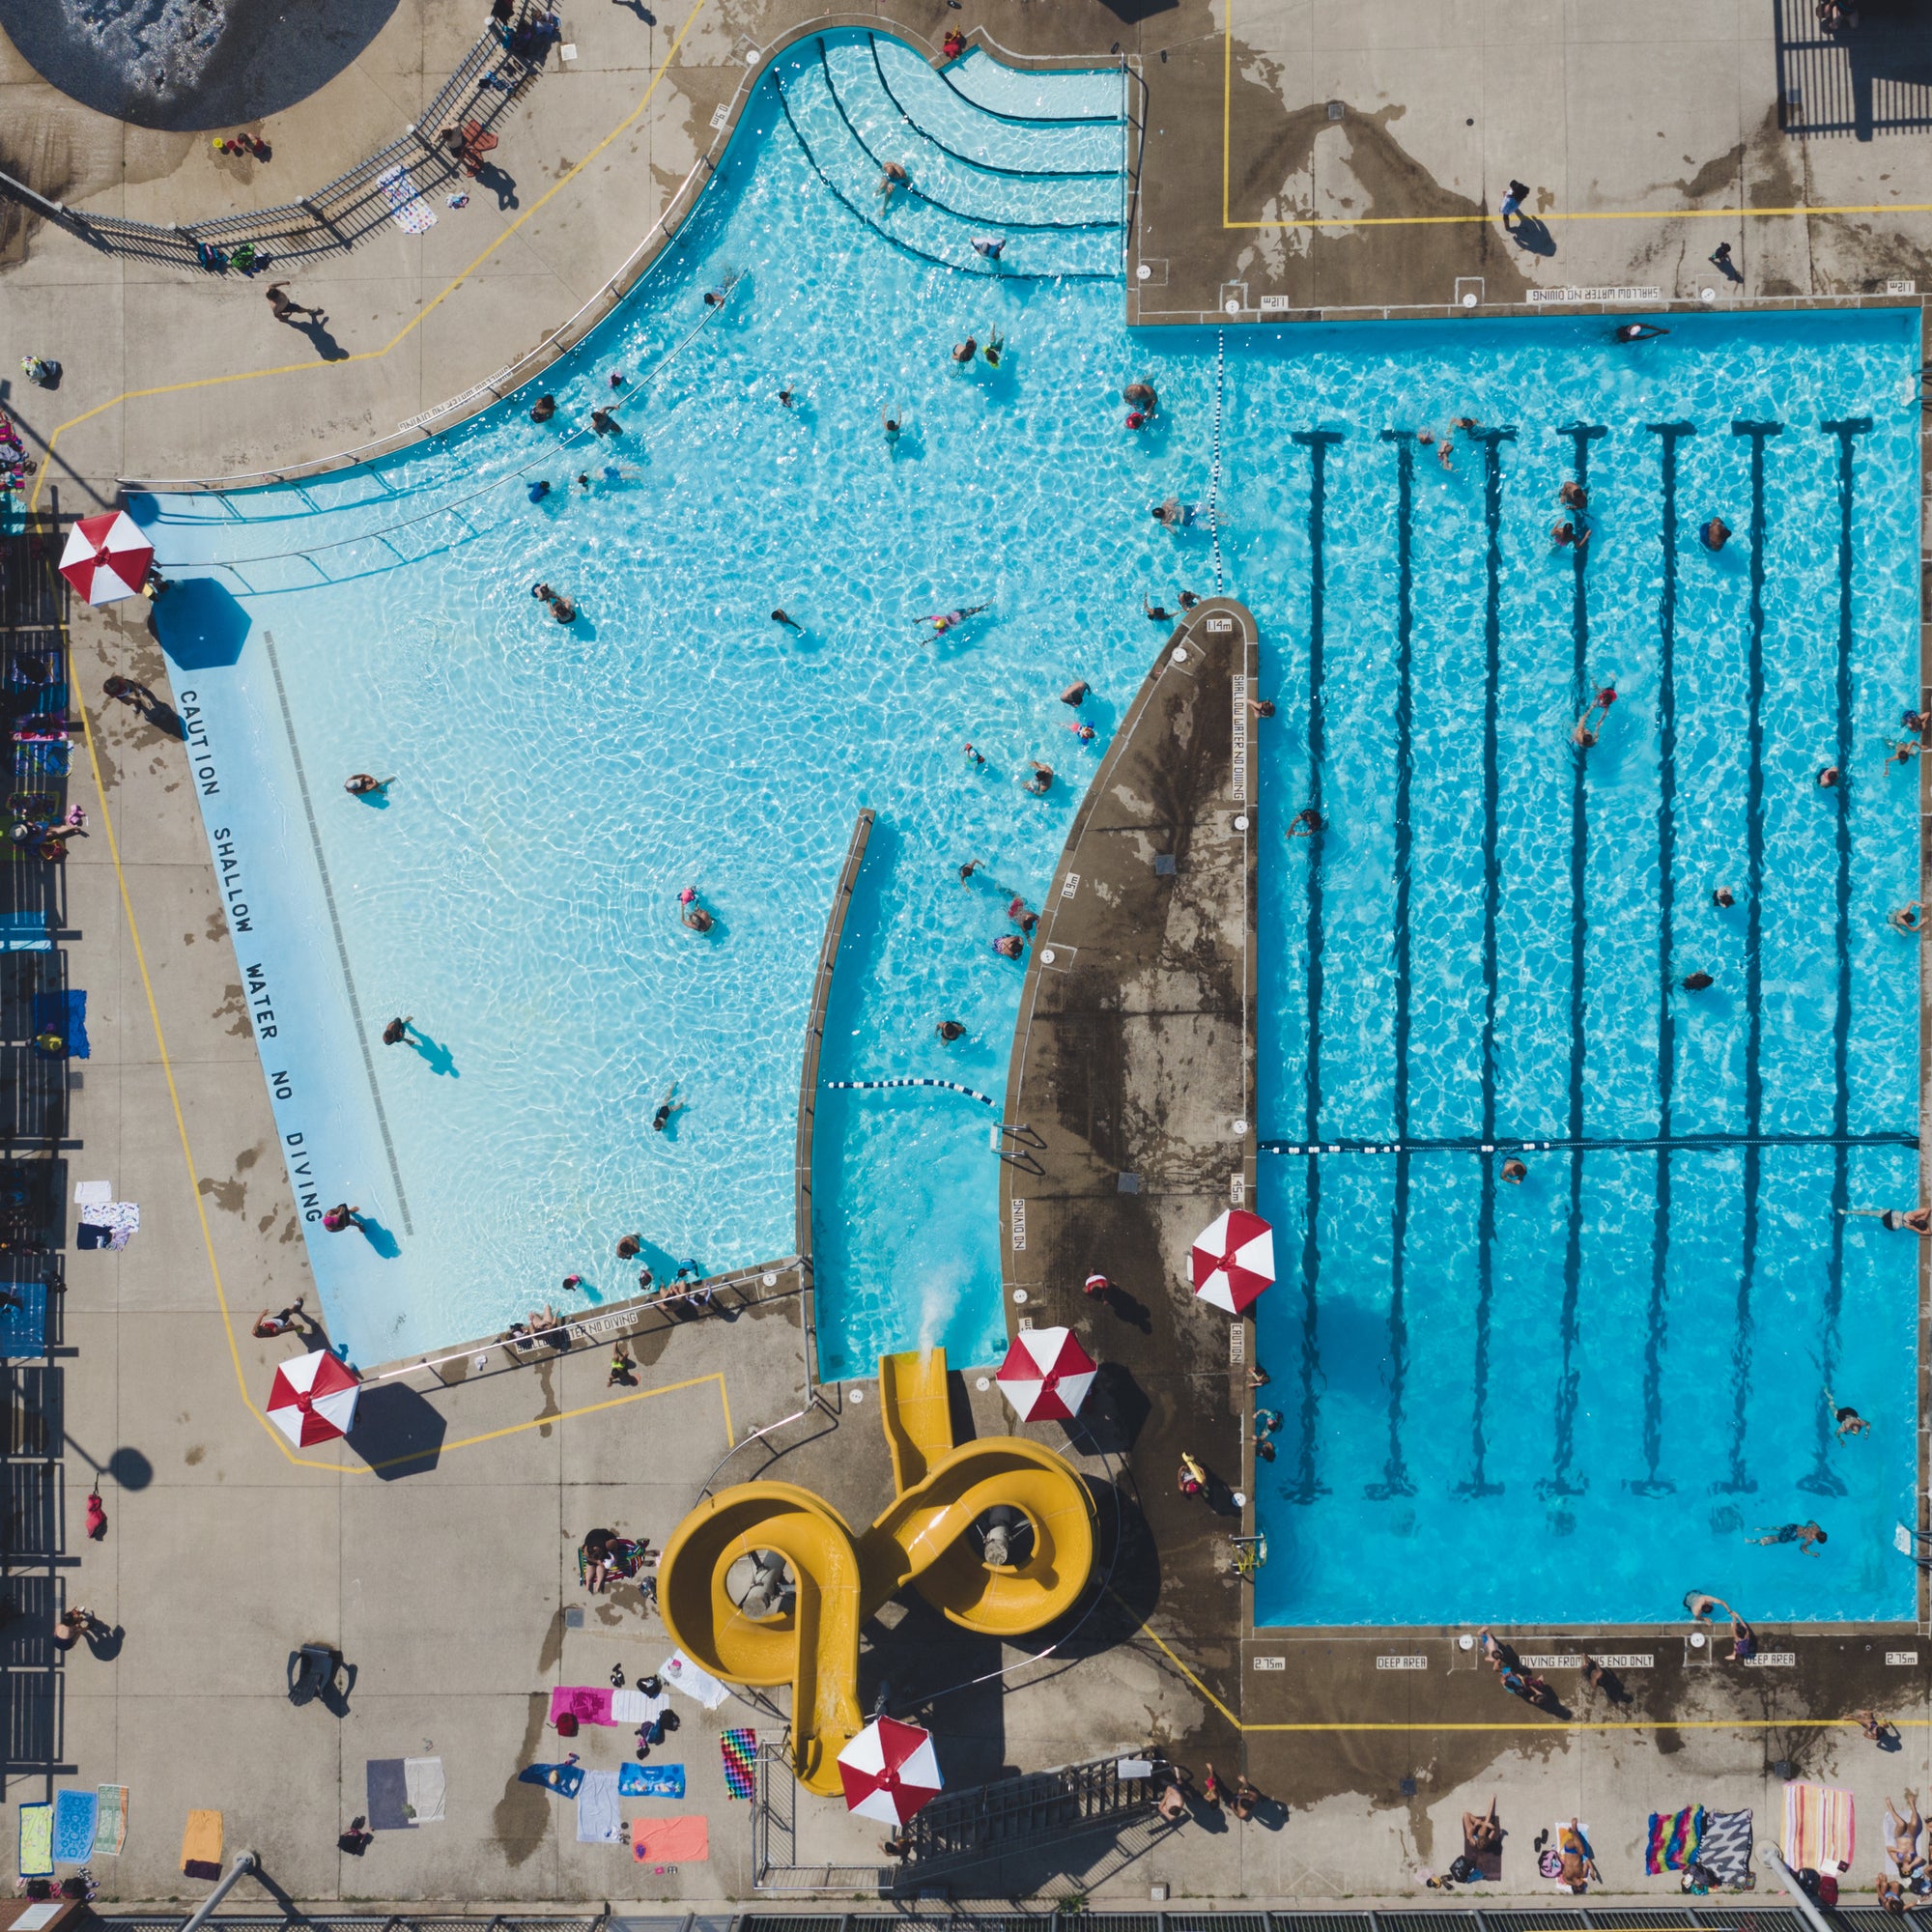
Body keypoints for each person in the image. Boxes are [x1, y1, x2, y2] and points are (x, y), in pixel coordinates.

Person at [1748, 1520, 1827, 1551]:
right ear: (1818, 1539)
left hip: (1794, 1526)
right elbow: (1802, 1548)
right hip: (1793, 1535)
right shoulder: (1810, 1540)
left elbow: (1810, 1521)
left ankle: (1761, 1529)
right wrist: (1811, 1553)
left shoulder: (1817, 1527)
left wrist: (1806, 1526)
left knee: (1781, 1529)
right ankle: (1755, 1541)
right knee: (1776, 1539)